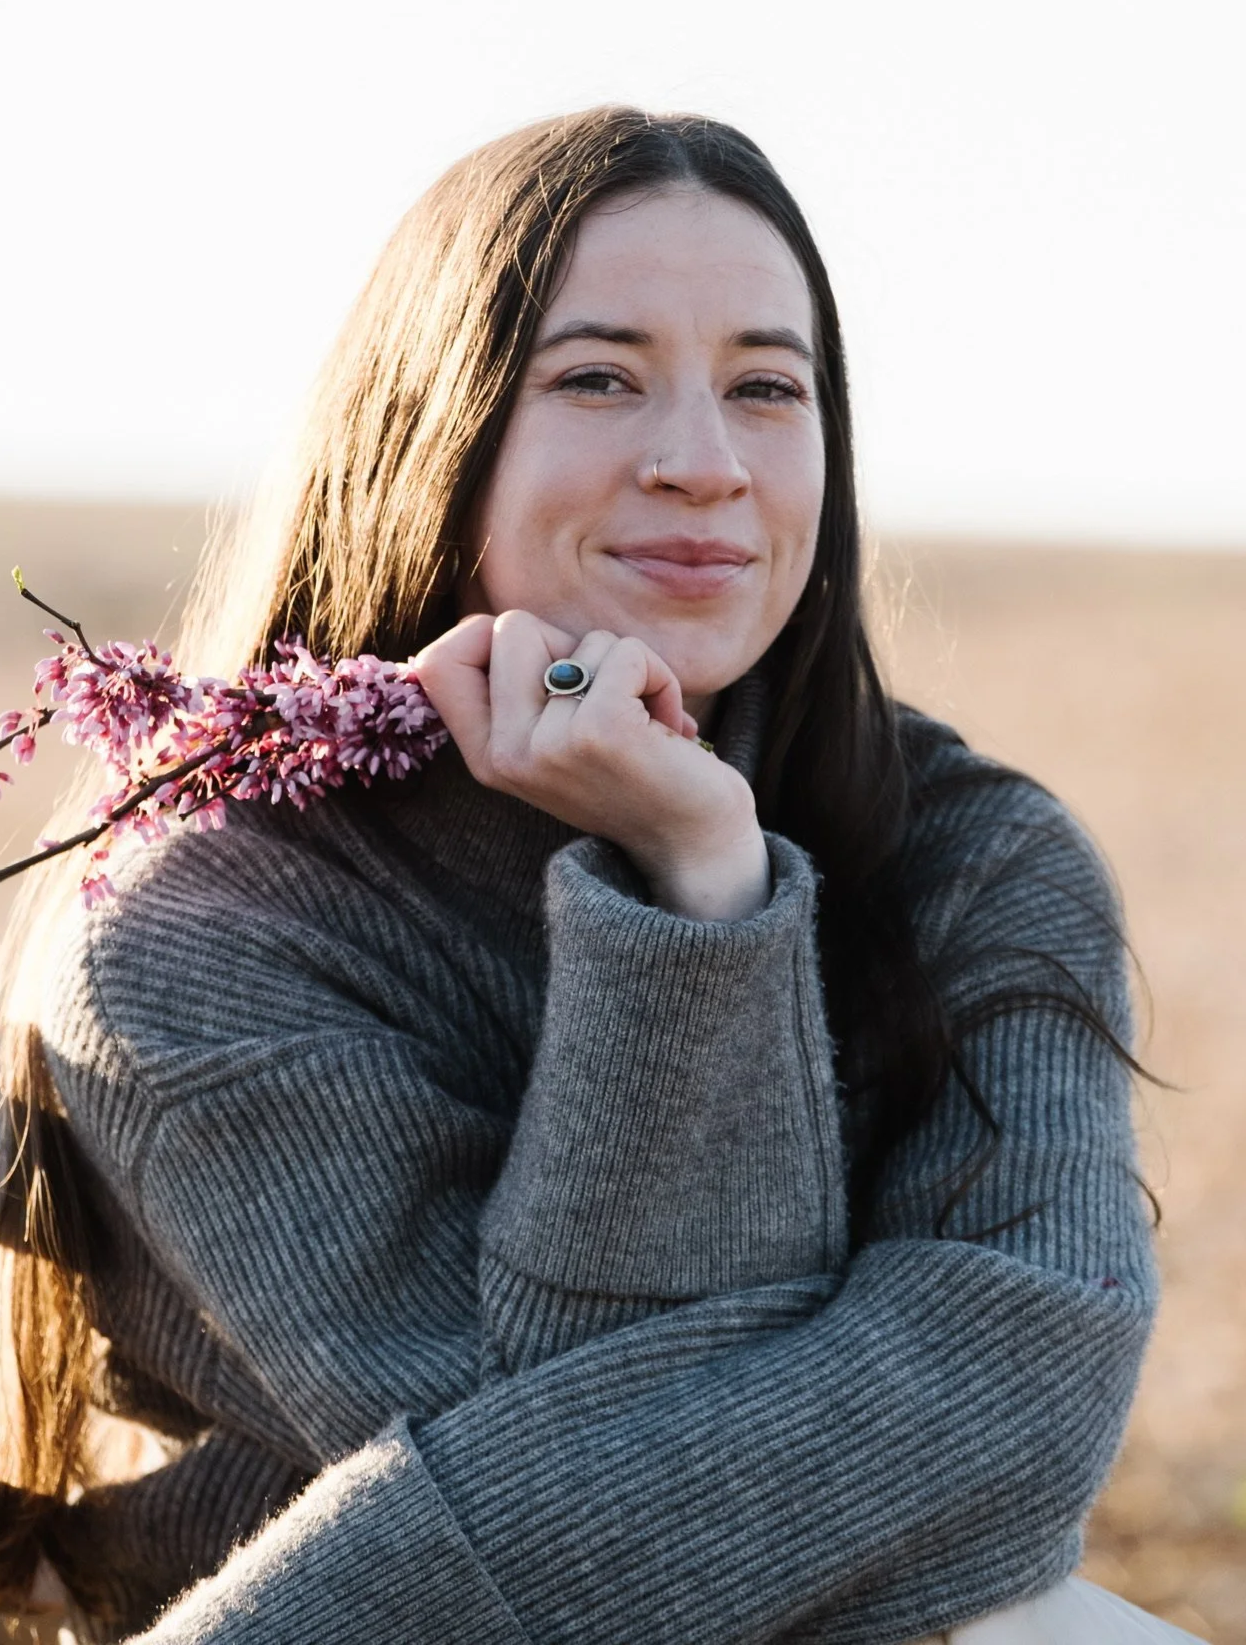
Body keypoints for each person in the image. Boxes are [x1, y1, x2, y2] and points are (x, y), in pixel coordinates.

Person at [0, 107, 1202, 1643]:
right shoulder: (201, 925)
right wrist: (692, 907)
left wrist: (703, 855)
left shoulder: (977, 854)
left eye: (768, 386)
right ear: (430, 427)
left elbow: (1029, 1375)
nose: (703, 464)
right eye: (597, 376)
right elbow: (589, 1497)